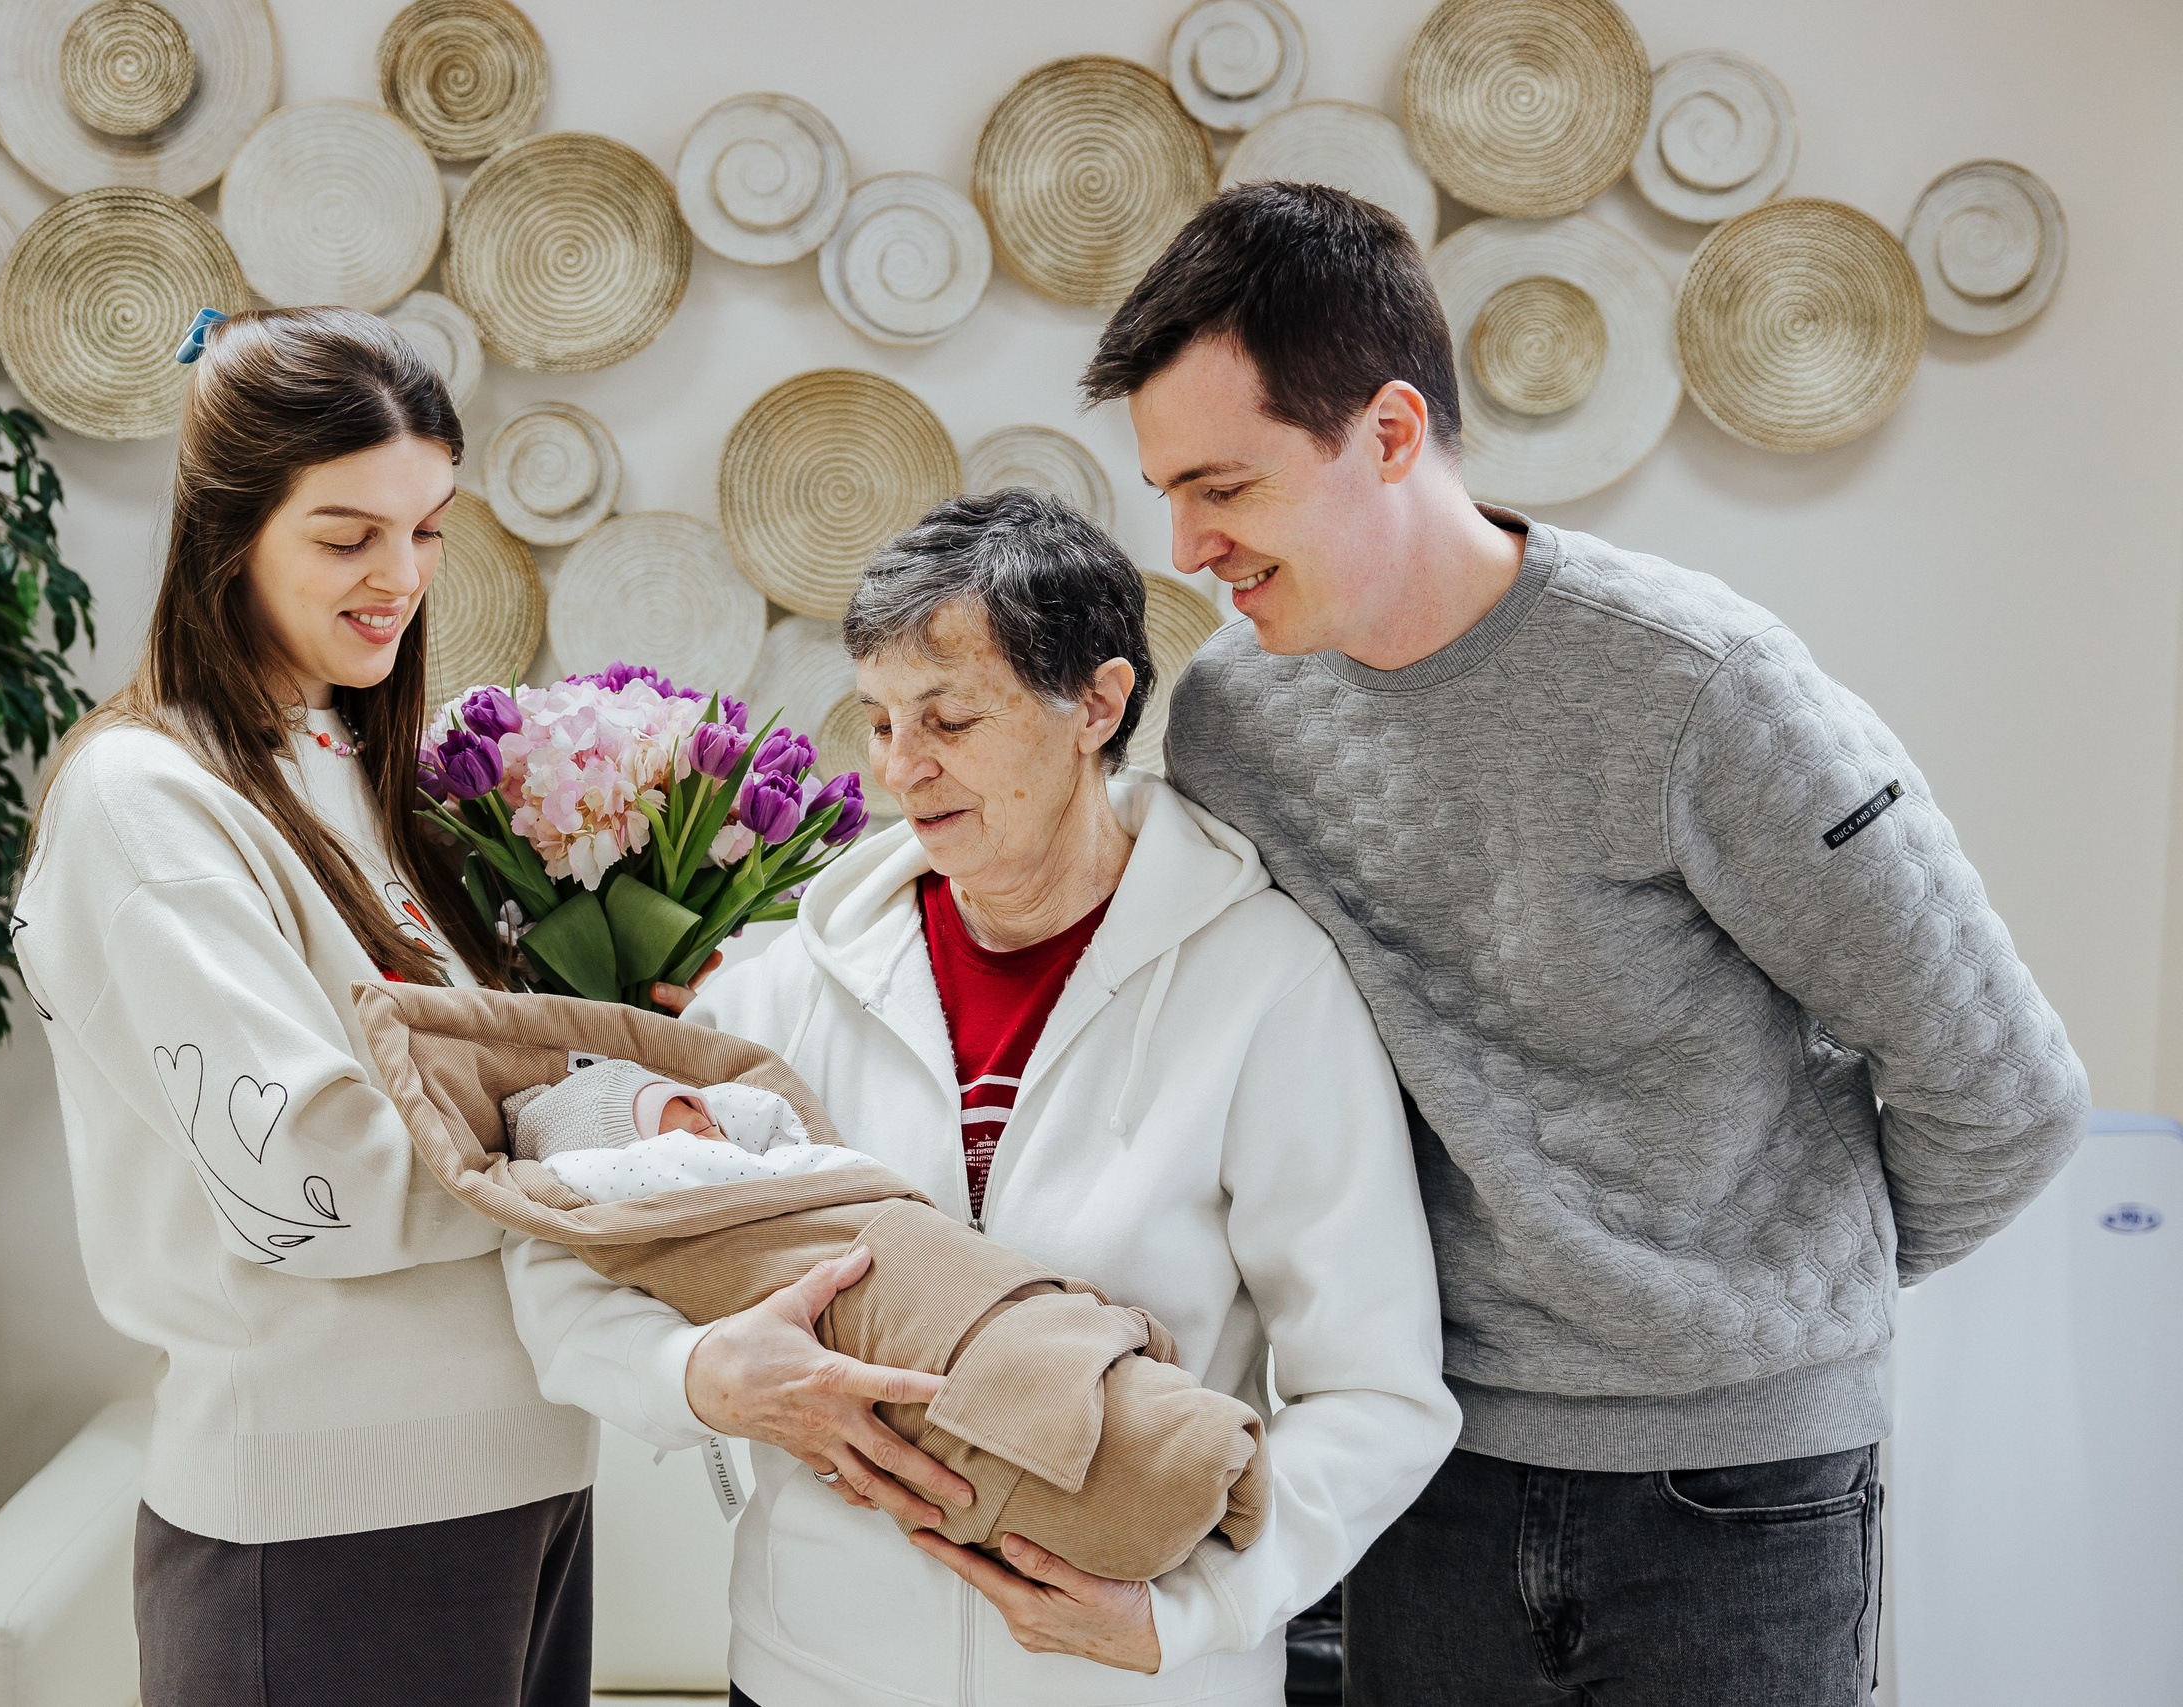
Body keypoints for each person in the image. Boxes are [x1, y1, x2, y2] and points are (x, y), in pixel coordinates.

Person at [1081, 182, 2093, 1706]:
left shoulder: (1701, 688)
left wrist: (1768, 1302)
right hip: (1421, 1462)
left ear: (1393, 432)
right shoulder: (1233, 723)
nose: (1188, 542)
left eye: (1221, 485)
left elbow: (2004, 1090)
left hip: (1738, 1492)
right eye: (1164, 491)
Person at [501, 487, 1457, 1706]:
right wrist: (697, 1379)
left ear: (1096, 706)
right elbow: (565, 1248)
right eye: (879, 721)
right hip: (809, 1678)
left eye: (948, 717)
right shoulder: (787, 982)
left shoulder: (1265, 987)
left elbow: (1375, 1391)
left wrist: (1189, 1616)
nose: (903, 768)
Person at [14, 307, 601, 1706]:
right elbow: (312, 1169)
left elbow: (468, 1092)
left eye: (429, 528)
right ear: (229, 532)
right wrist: (608, 1136)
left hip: (528, 1476)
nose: (399, 578)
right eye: (348, 535)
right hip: (327, 1515)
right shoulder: (145, 800)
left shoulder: (351, 756)